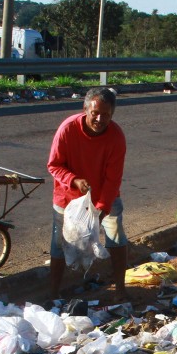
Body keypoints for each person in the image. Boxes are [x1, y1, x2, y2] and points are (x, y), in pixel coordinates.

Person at [47, 86, 128, 300]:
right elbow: (54, 165)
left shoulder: (116, 137)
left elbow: (113, 179)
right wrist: (73, 180)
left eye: (106, 115)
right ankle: (53, 293)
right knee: (59, 244)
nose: (100, 119)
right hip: (68, 198)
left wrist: (100, 210)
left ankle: (120, 289)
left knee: (116, 237)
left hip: (104, 197)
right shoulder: (67, 129)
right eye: (95, 113)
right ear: (85, 109)